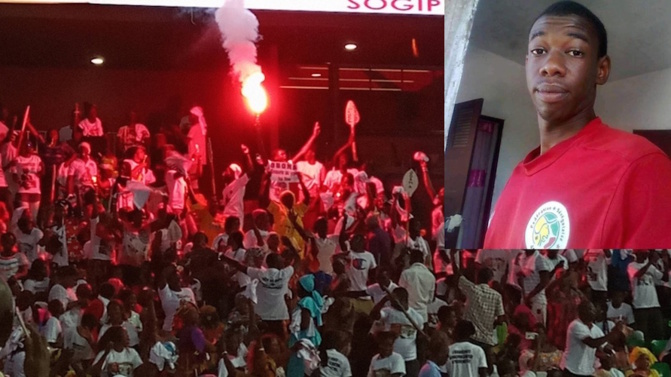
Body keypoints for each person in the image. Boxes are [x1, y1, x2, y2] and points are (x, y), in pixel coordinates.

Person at [483, 0, 671, 248]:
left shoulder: (640, 166)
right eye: (539, 51)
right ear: (527, 63)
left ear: (601, 70)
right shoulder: (517, 178)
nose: (551, 66)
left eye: (574, 52)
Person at [560, 301, 625, 377]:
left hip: (586, 370)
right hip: (571, 368)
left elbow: (604, 346)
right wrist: (613, 333)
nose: (590, 311)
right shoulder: (576, 325)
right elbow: (592, 343)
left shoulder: (595, 329)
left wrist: (611, 354)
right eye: (587, 309)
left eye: (592, 309)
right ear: (579, 312)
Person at [627, 250, 667, 342]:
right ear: (637, 253)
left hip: (654, 304)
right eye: (644, 252)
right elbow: (637, 275)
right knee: (643, 334)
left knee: (659, 332)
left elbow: (664, 278)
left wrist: (665, 263)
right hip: (640, 305)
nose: (646, 254)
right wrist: (650, 263)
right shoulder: (631, 265)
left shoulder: (651, 267)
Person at [398, 248, 435, 325]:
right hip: (423, 316)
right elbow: (430, 299)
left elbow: (400, 294)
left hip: (408, 315)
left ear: (411, 260)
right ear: (422, 260)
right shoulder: (431, 276)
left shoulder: (406, 273)